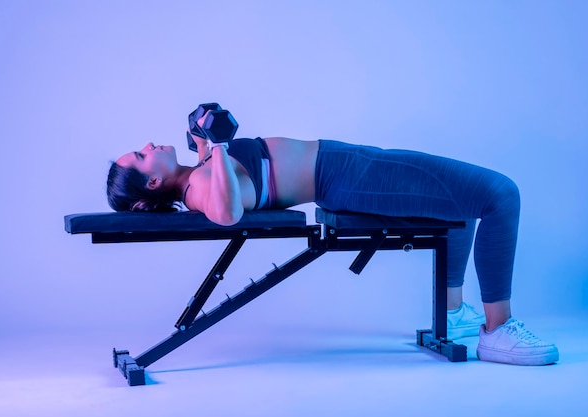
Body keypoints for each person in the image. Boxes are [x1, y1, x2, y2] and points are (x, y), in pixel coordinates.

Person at [107, 109, 559, 366]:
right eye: (142, 156)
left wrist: (204, 140)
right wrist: (218, 145)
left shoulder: (200, 173)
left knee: (458, 203)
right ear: (150, 185)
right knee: (500, 194)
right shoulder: (200, 189)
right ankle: (497, 332)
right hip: (347, 177)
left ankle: (455, 313)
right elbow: (226, 211)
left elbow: (227, 175)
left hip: (343, 164)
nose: (149, 145)